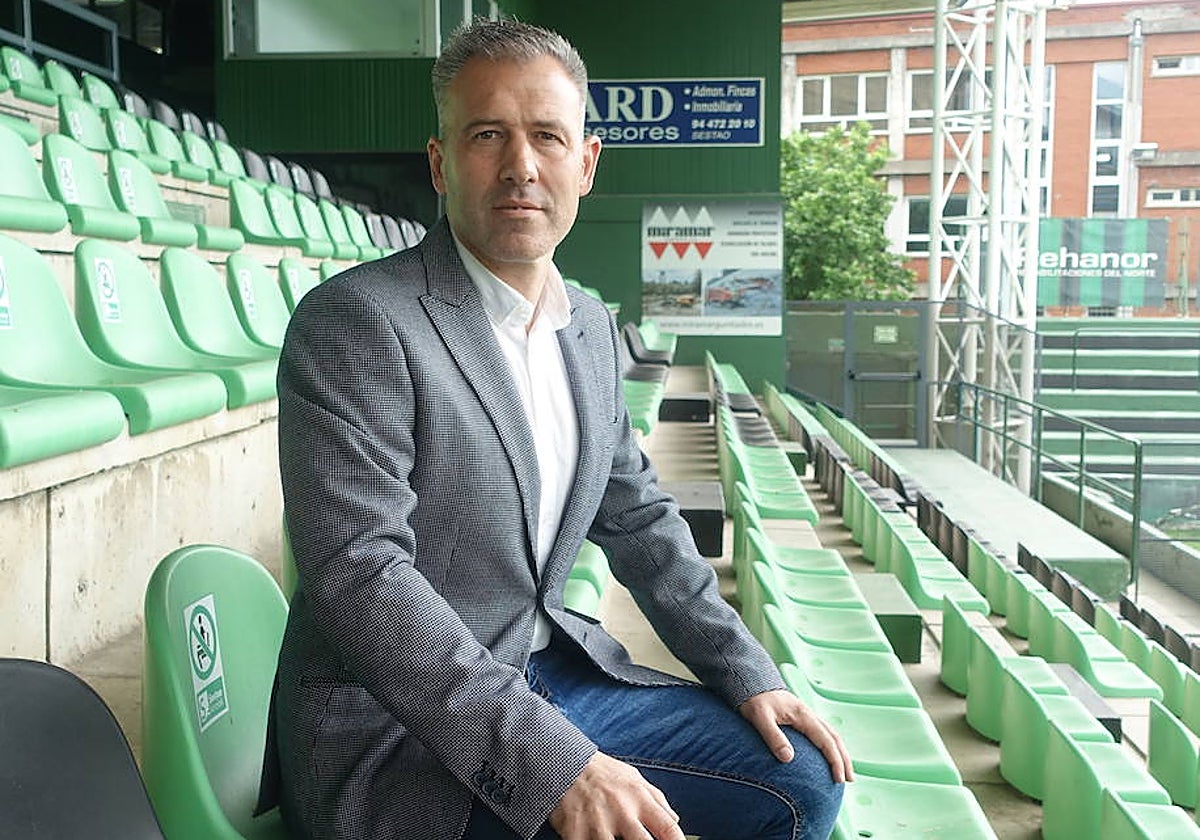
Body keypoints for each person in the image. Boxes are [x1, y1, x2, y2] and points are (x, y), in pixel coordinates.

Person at [266, 17, 850, 840]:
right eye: (487, 135)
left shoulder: (587, 331)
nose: (521, 166)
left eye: (547, 135)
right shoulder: (359, 321)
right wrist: (555, 762)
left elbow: (642, 520)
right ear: (440, 164)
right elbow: (360, 575)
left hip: (552, 675)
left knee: (801, 776)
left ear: (586, 162)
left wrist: (745, 670)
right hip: (402, 735)